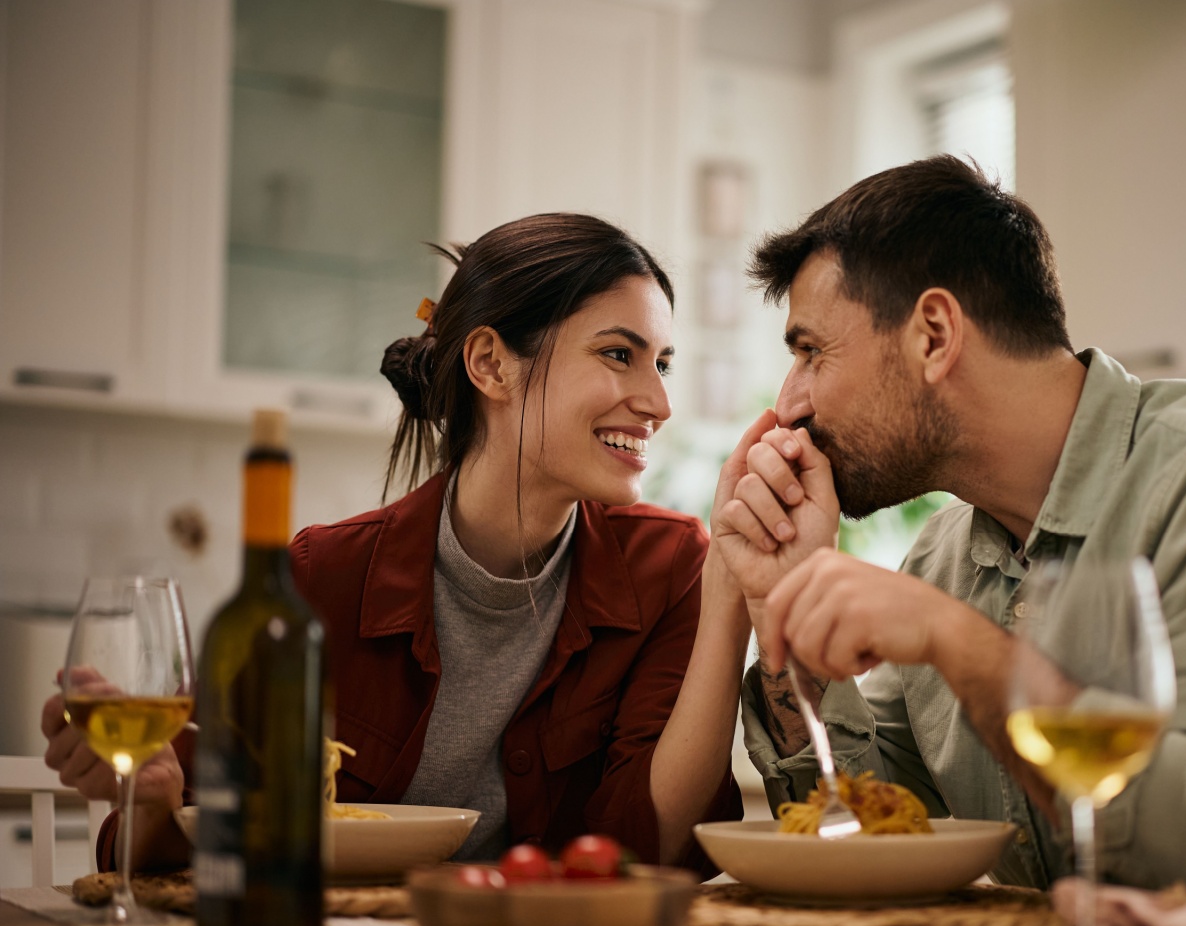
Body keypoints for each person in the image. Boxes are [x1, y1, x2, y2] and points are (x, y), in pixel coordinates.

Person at [714, 156, 1186, 926]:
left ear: (934, 335)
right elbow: (867, 840)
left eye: (810, 353)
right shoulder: (944, 557)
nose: (787, 405)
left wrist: (960, 642)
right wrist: (781, 608)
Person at [42, 213, 750, 874]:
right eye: (619, 354)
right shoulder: (321, 578)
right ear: (490, 365)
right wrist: (156, 800)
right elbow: (188, 854)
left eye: (661, 364)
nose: (657, 403)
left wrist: (731, 598)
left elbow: (653, 848)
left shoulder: (673, 567)